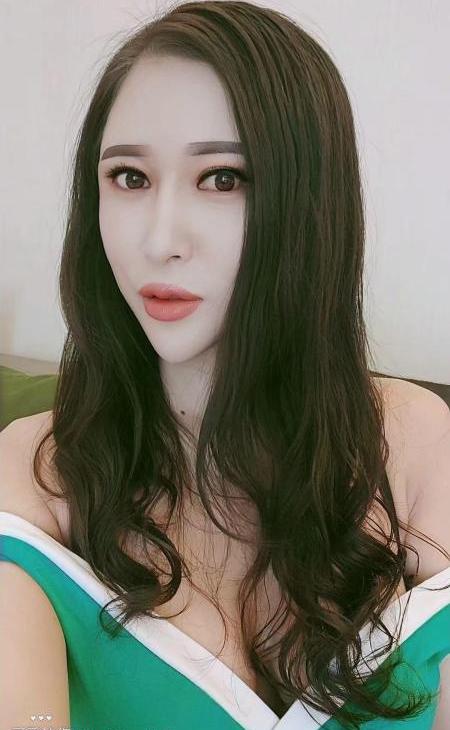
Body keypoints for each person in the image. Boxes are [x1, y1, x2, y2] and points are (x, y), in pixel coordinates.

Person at [1, 2, 450, 728]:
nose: (160, 240)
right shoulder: (38, 472)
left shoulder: (415, 445)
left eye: (222, 178)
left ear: (311, 203)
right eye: (128, 177)